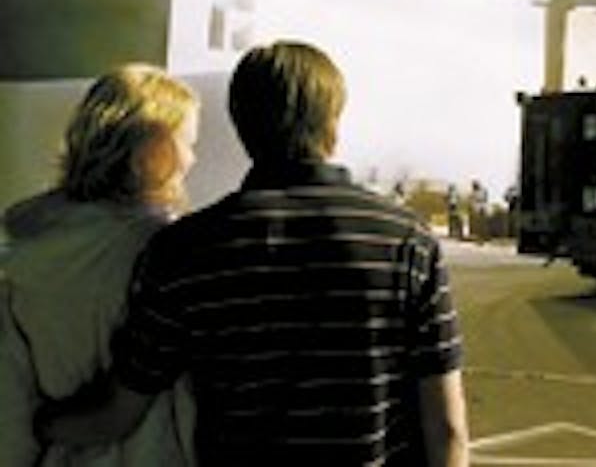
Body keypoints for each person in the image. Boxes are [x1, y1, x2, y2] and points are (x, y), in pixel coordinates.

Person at [37, 41, 469, 467]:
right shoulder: (408, 242)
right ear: (333, 125)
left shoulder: (186, 249)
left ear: (242, 128)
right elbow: (446, 430)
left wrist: (38, 424)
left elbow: (118, 413)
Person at [0, 64, 199, 466]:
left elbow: (10, 409)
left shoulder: (22, 255)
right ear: (153, 150)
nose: (192, 160)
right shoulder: (171, 254)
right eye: (187, 142)